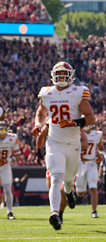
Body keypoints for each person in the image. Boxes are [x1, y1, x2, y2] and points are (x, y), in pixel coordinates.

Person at [32, 61, 95, 230]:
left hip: (73, 143)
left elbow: (90, 117)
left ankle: (68, 192)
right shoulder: (47, 92)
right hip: (54, 142)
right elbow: (41, 112)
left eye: (63, 75)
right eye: (58, 75)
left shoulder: (77, 92)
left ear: (70, 76)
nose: (61, 78)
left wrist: (74, 122)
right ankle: (54, 213)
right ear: (53, 76)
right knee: (55, 178)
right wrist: (38, 125)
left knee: (68, 180)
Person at [77, 124, 105, 218]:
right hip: (80, 164)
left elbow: (101, 148)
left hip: (92, 163)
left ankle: (94, 210)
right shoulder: (77, 133)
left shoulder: (96, 134)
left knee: (93, 187)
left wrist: (101, 155)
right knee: (80, 192)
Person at [0, 121, 23, 220]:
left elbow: (18, 156)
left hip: (5, 166)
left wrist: (8, 160)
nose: (2, 129)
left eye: (4, 127)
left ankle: (10, 212)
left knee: (8, 189)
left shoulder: (12, 138)